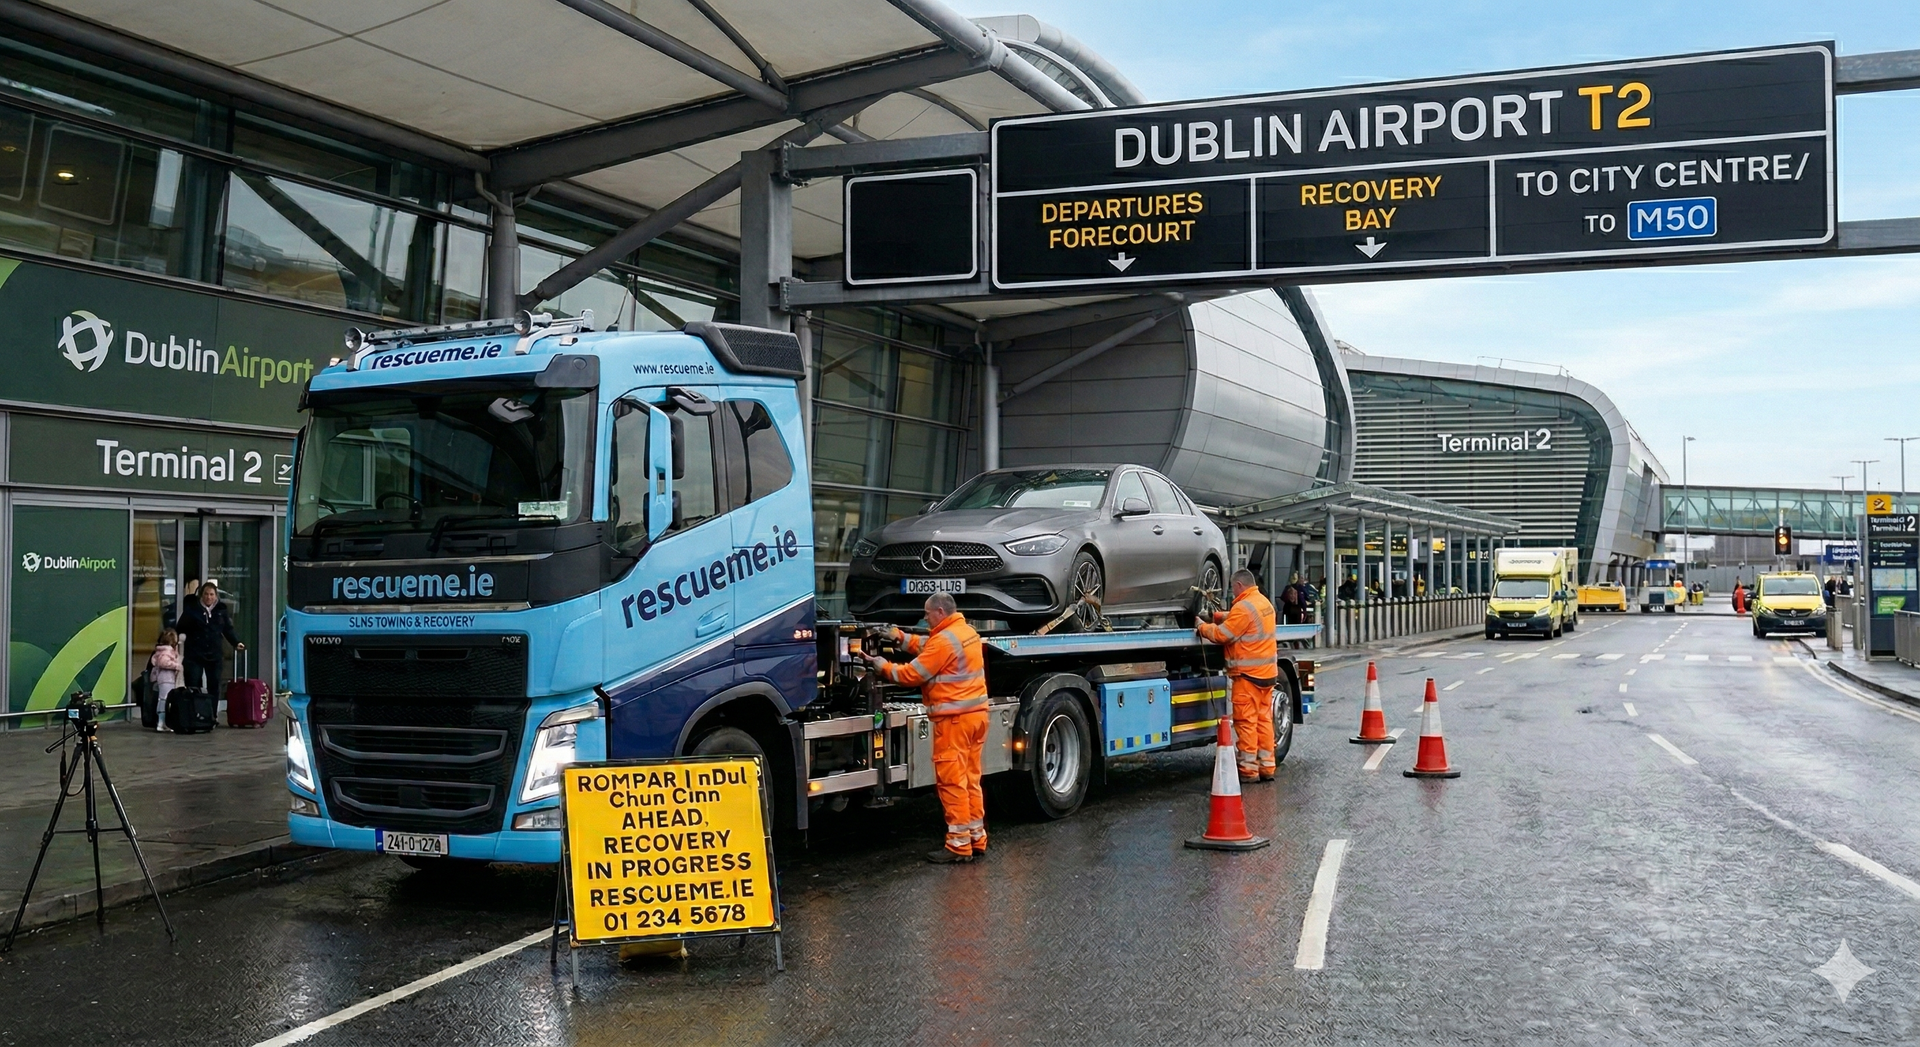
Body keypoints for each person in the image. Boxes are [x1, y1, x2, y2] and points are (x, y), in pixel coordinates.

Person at [866, 593, 988, 864]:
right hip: (975, 717)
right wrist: (898, 637)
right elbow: (928, 646)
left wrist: (881, 666)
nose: (924, 617)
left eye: (927, 613)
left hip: (953, 721)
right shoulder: (965, 632)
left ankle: (958, 845)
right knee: (970, 780)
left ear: (940, 612)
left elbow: (912, 674)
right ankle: (976, 838)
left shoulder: (944, 640)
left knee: (952, 781)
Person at [1195, 569, 1279, 783]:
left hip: (1247, 676)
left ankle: (1248, 771)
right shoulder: (1264, 603)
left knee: (1246, 723)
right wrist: (1216, 616)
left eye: (1233, 587)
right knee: (1263, 721)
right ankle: (1267, 767)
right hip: (1267, 675)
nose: (1232, 591)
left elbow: (1224, 634)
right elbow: (1240, 620)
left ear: (1239, 585)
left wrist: (1202, 627)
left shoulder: (1243, 607)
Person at [177, 582, 244, 698]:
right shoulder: (192, 610)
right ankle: (195, 712)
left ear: (216, 596)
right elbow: (180, 628)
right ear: (202, 595)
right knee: (193, 684)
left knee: (214, 684)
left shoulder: (221, 610)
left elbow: (227, 629)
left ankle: (212, 714)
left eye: (211, 595)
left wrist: (236, 642)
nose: (209, 597)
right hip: (195, 653)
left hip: (214, 653)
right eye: (206, 594)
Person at [149, 628, 183, 731]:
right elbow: (163, 663)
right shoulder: (167, 652)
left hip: (164, 679)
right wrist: (176, 665)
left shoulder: (161, 651)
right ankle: (161, 723)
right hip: (166, 679)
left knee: (163, 700)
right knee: (164, 700)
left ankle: (162, 722)